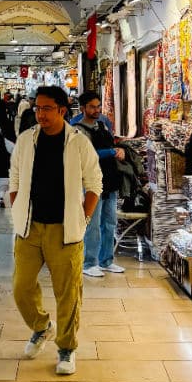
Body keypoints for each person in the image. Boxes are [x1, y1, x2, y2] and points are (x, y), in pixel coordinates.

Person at [9, 85, 102, 375]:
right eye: (37, 108)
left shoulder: (78, 143)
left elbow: (94, 183)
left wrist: (83, 218)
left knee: (68, 293)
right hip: (30, 228)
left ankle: (66, 348)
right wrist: (17, 207)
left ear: (62, 110)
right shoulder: (26, 140)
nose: (40, 114)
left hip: (65, 230)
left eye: (46, 108)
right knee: (21, 287)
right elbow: (15, 177)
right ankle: (41, 326)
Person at [72, 89, 126, 278]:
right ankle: (89, 262)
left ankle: (106, 260)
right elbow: (87, 154)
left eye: (98, 106)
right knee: (93, 223)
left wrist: (119, 150)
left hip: (109, 179)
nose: (96, 110)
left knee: (109, 221)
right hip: (90, 182)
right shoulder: (77, 129)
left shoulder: (103, 125)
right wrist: (112, 152)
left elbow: (110, 144)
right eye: (92, 107)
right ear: (83, 108)